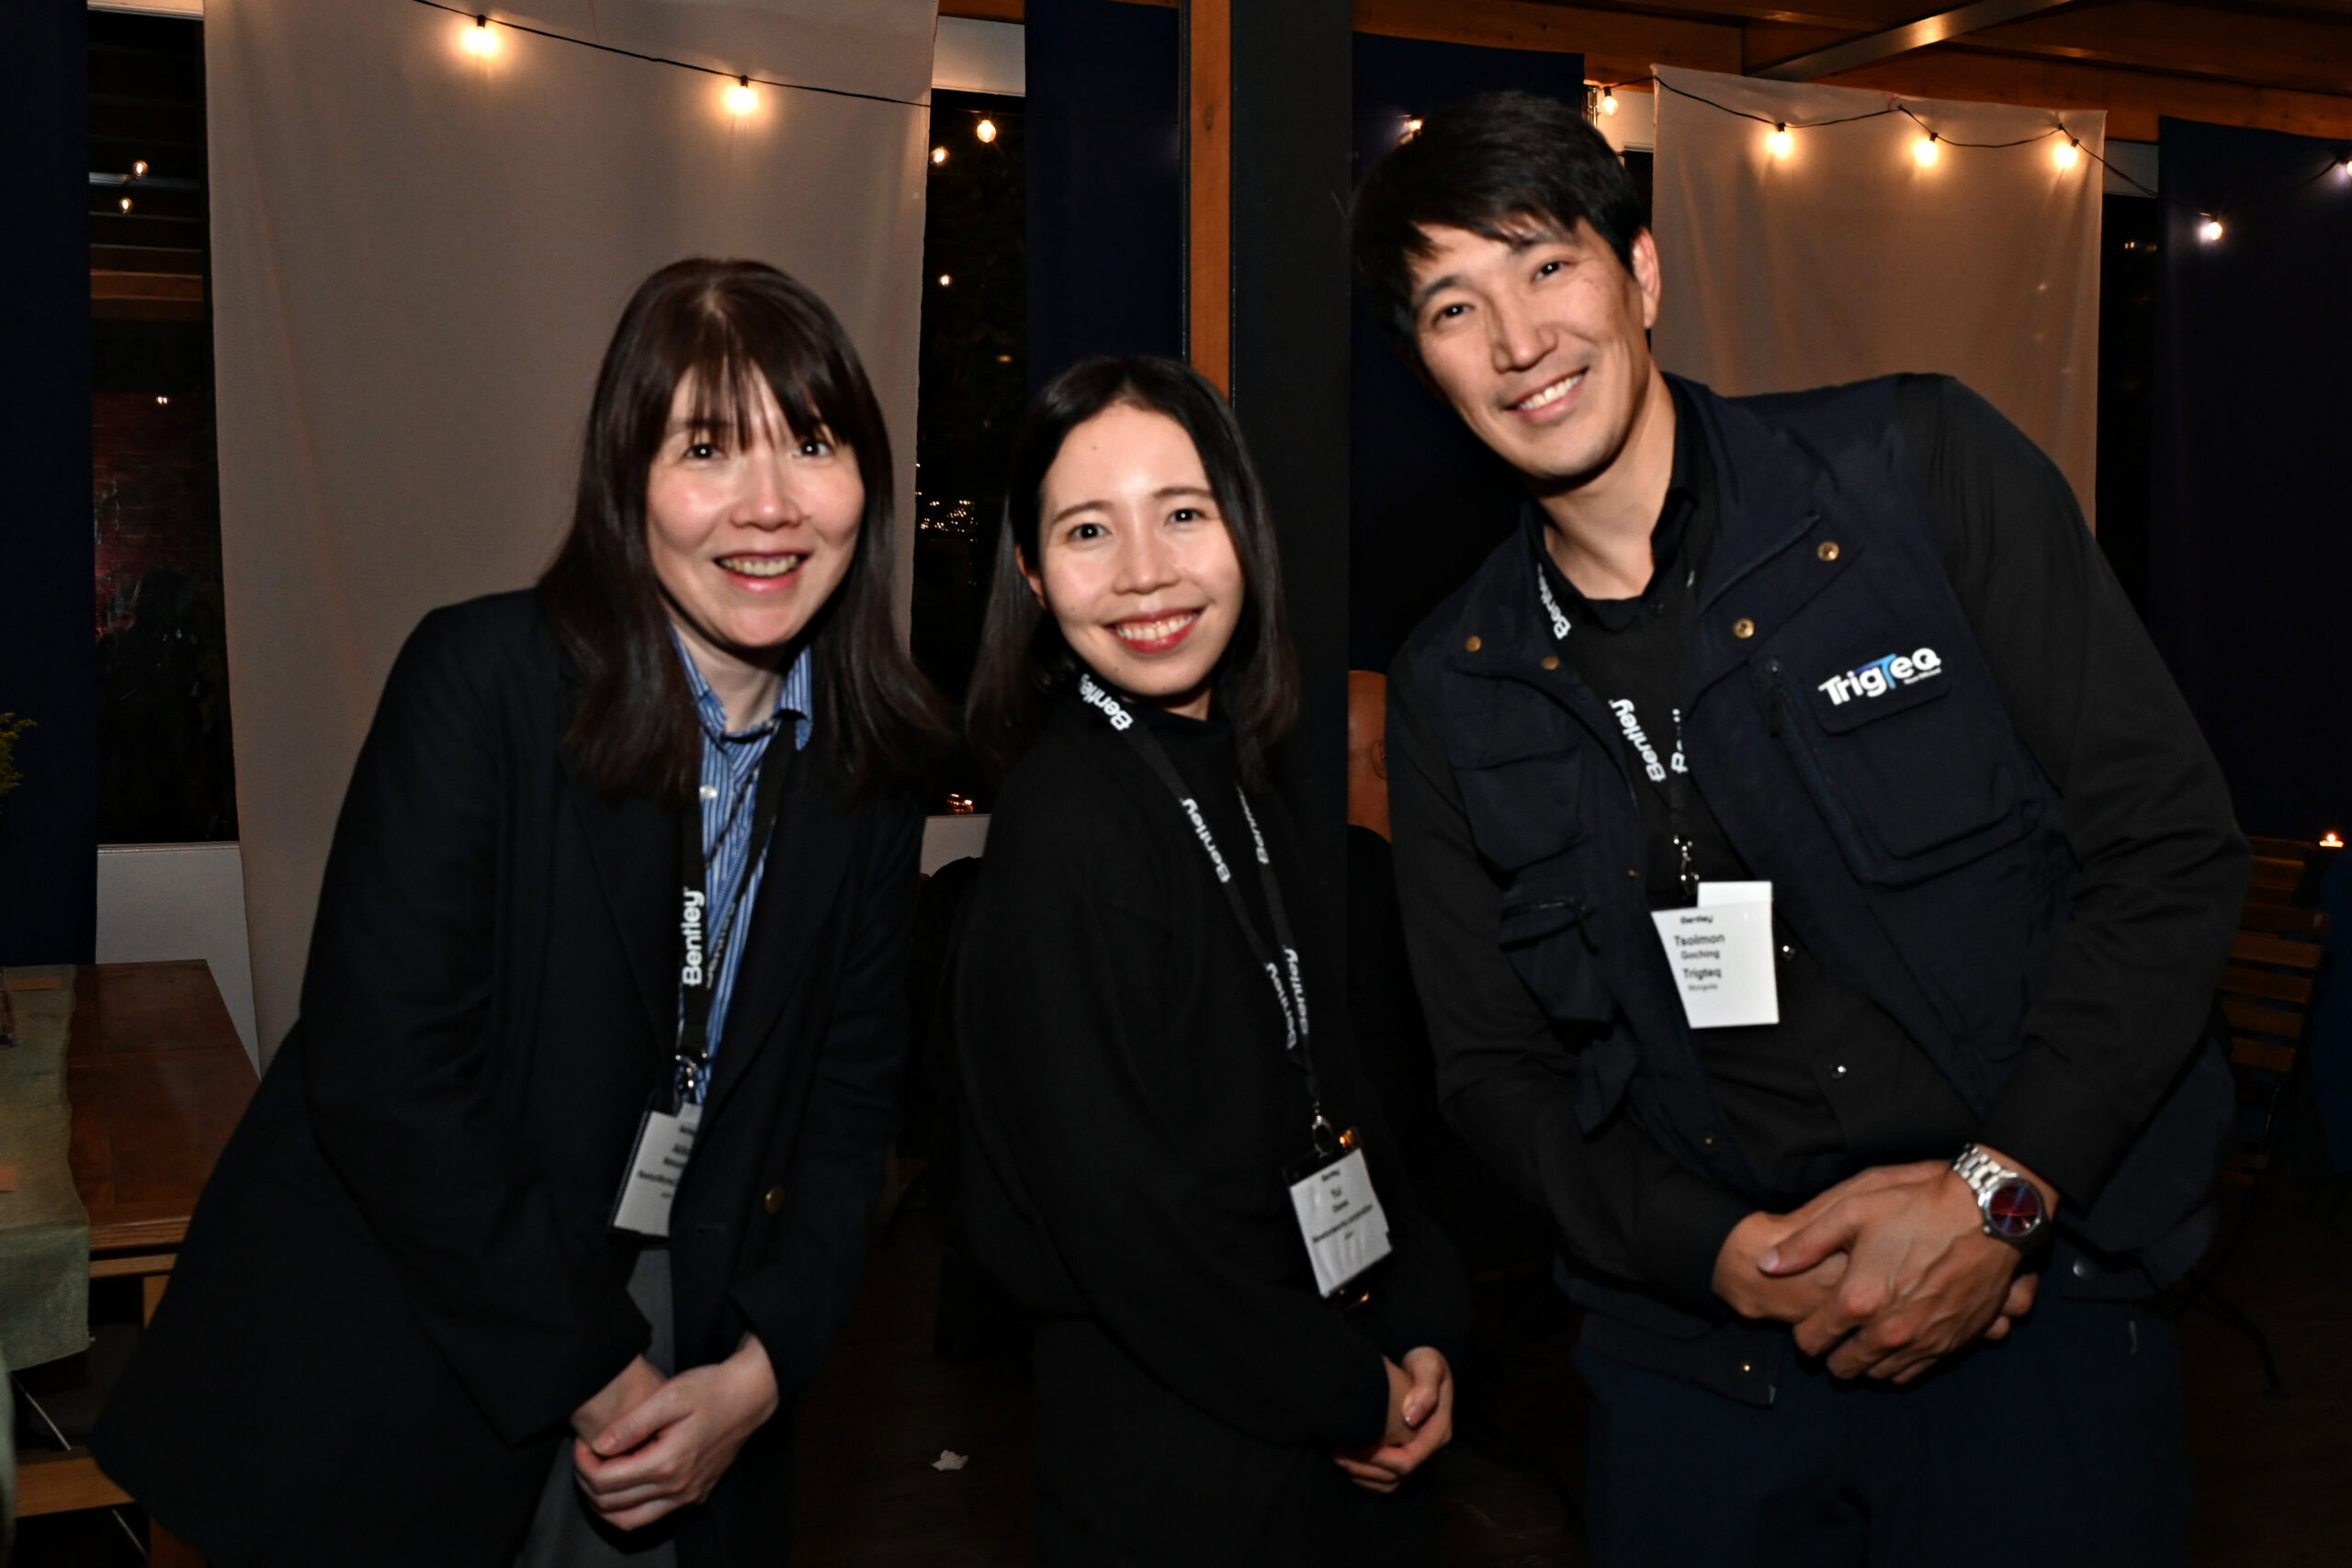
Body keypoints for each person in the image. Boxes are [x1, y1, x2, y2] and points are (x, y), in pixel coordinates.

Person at [1350, 93, 2248, 1565]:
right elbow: (1494, 1072)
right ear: (1427, 366)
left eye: (1547, 264)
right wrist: (1712, 1252)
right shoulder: (1456, 687)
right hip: (1701, 1375)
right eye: (1456, 306)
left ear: (1641, 272)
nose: (1518, 340)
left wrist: (2002, 1190)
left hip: (2037, 1313)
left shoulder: (1919, 475)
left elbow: (2167, 848)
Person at [93, 257, 949, 1566]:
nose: (769, 504)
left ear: (867, 482)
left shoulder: (868, 773)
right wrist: (595, 1372)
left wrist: (764, 1373)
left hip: (688, 1311)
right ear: (624, 480)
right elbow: (386, 1079)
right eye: (707, 448)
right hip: (415, 1329)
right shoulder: (482, 681)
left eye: (812, 444)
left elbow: (849, 1113)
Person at [953, 356, 1471, 1565]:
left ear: (1246, 529)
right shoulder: (1062, 827)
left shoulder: (1243, 786)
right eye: (1089, 530)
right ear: (1032, 573)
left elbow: (1339, 1096)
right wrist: (1346, 1391)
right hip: (1180, 1468)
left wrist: (1421, 1320)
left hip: (1323, 1404)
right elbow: (1124, 1228)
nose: (1146, 572)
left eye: (1183, 513)